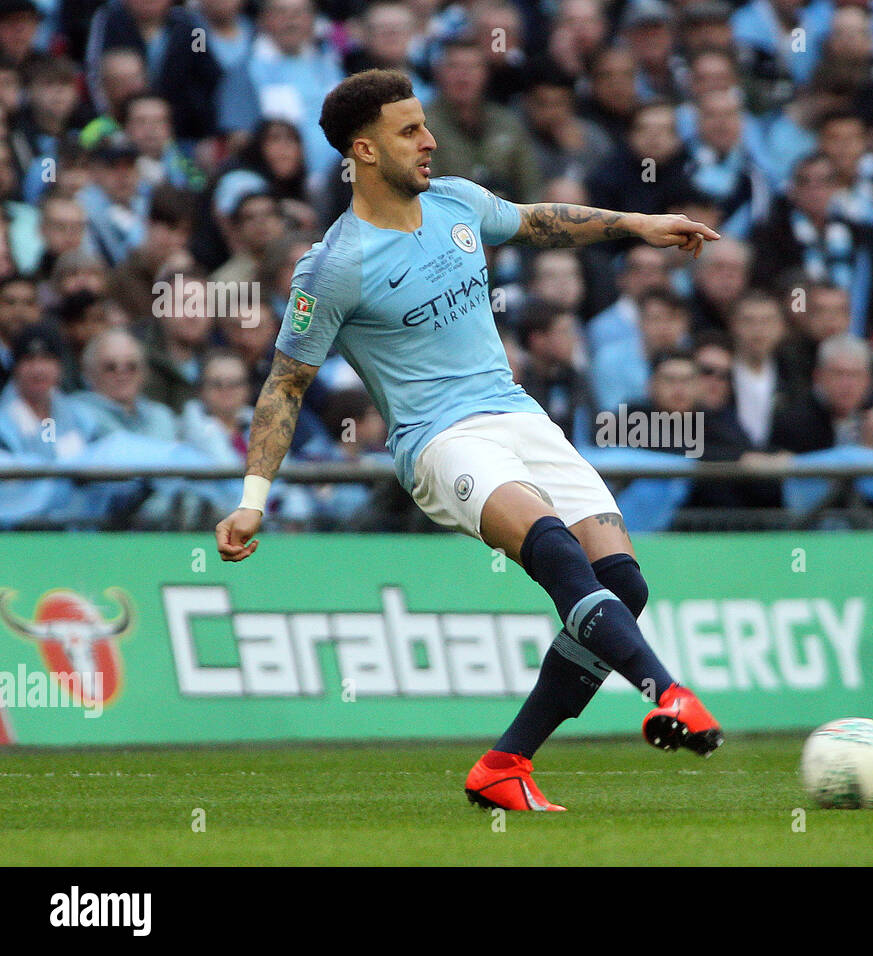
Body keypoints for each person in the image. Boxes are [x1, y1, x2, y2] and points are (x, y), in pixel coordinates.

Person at [213, 69, 724, 813]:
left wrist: (635, 224)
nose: (429, 141)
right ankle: (667, 693)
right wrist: (252, 499)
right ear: (363, 149)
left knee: (625, 585)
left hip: (517, 416)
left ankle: (505, 763)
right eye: (409, 131)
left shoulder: (454, 201)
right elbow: (285, 385)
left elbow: (538, 218)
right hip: (439, 439)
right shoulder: (333, 267)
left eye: (426, 125)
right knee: (550, 544)